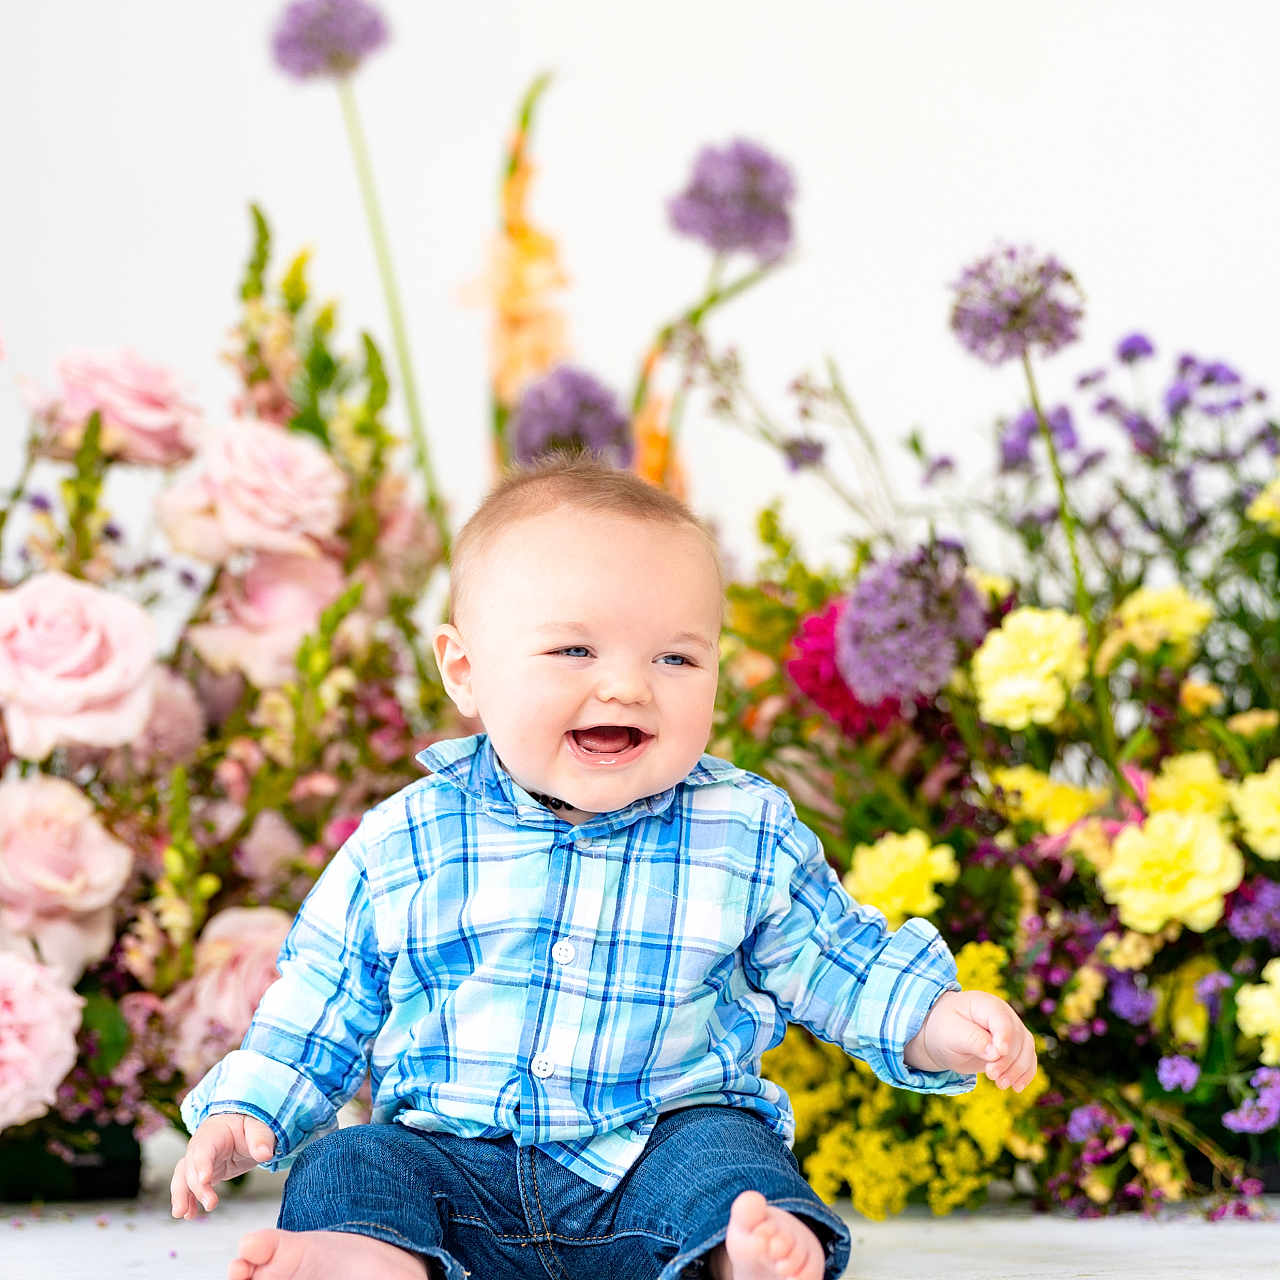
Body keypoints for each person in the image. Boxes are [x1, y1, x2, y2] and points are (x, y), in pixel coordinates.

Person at [172, 453, 1037, 1280]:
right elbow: (321, 994)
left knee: (733, 1159)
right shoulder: (407, 838)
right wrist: (247, 1110)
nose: (626, 686)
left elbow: (839, 962)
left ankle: (742, 1254)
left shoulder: (741, 829)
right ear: (465, 671)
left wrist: (936, 1017)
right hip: (453, 1166)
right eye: (574, 652)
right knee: (356, 1161)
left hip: (655, 1156)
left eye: (676, 657)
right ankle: (361, 1258)